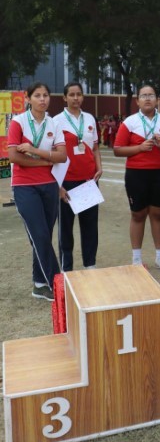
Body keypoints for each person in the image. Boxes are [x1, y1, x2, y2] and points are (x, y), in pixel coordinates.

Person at [7, 82, 67, 301]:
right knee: (39, 234)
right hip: (24, 186)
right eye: (37, 95)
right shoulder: (18, 122)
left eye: (46, 95)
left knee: (43, 235)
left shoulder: (54, 123)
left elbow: (62, 156)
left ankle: (39, 284)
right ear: (28, 98)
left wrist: (33, 151)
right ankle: (57, 284)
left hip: (49, 185)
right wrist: (46, 160)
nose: (42, 99)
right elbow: (14, 157)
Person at [114, 84, 160, 270]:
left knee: (158, 213)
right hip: (136, 174)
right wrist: (139, 148)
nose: (147, 98)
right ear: (137, 101)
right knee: (138, 214)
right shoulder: (129, 122)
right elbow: (117, 150)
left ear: (157, 100)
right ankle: (136, 259)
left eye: (151, 95)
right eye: (143, 95)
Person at [54, 82, 102, 271]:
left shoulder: (89, 118)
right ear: (64, 98)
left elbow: (95, 147)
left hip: (89, 180)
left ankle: (90, 264)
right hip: (66, 181)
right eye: (72, 95)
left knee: (90, 225)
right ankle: (66, 268)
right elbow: (53, 153)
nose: (76, 98)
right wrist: (58, 185)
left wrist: (99, 167)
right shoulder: (56, 121)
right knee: (66, 228)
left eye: (79, 94)